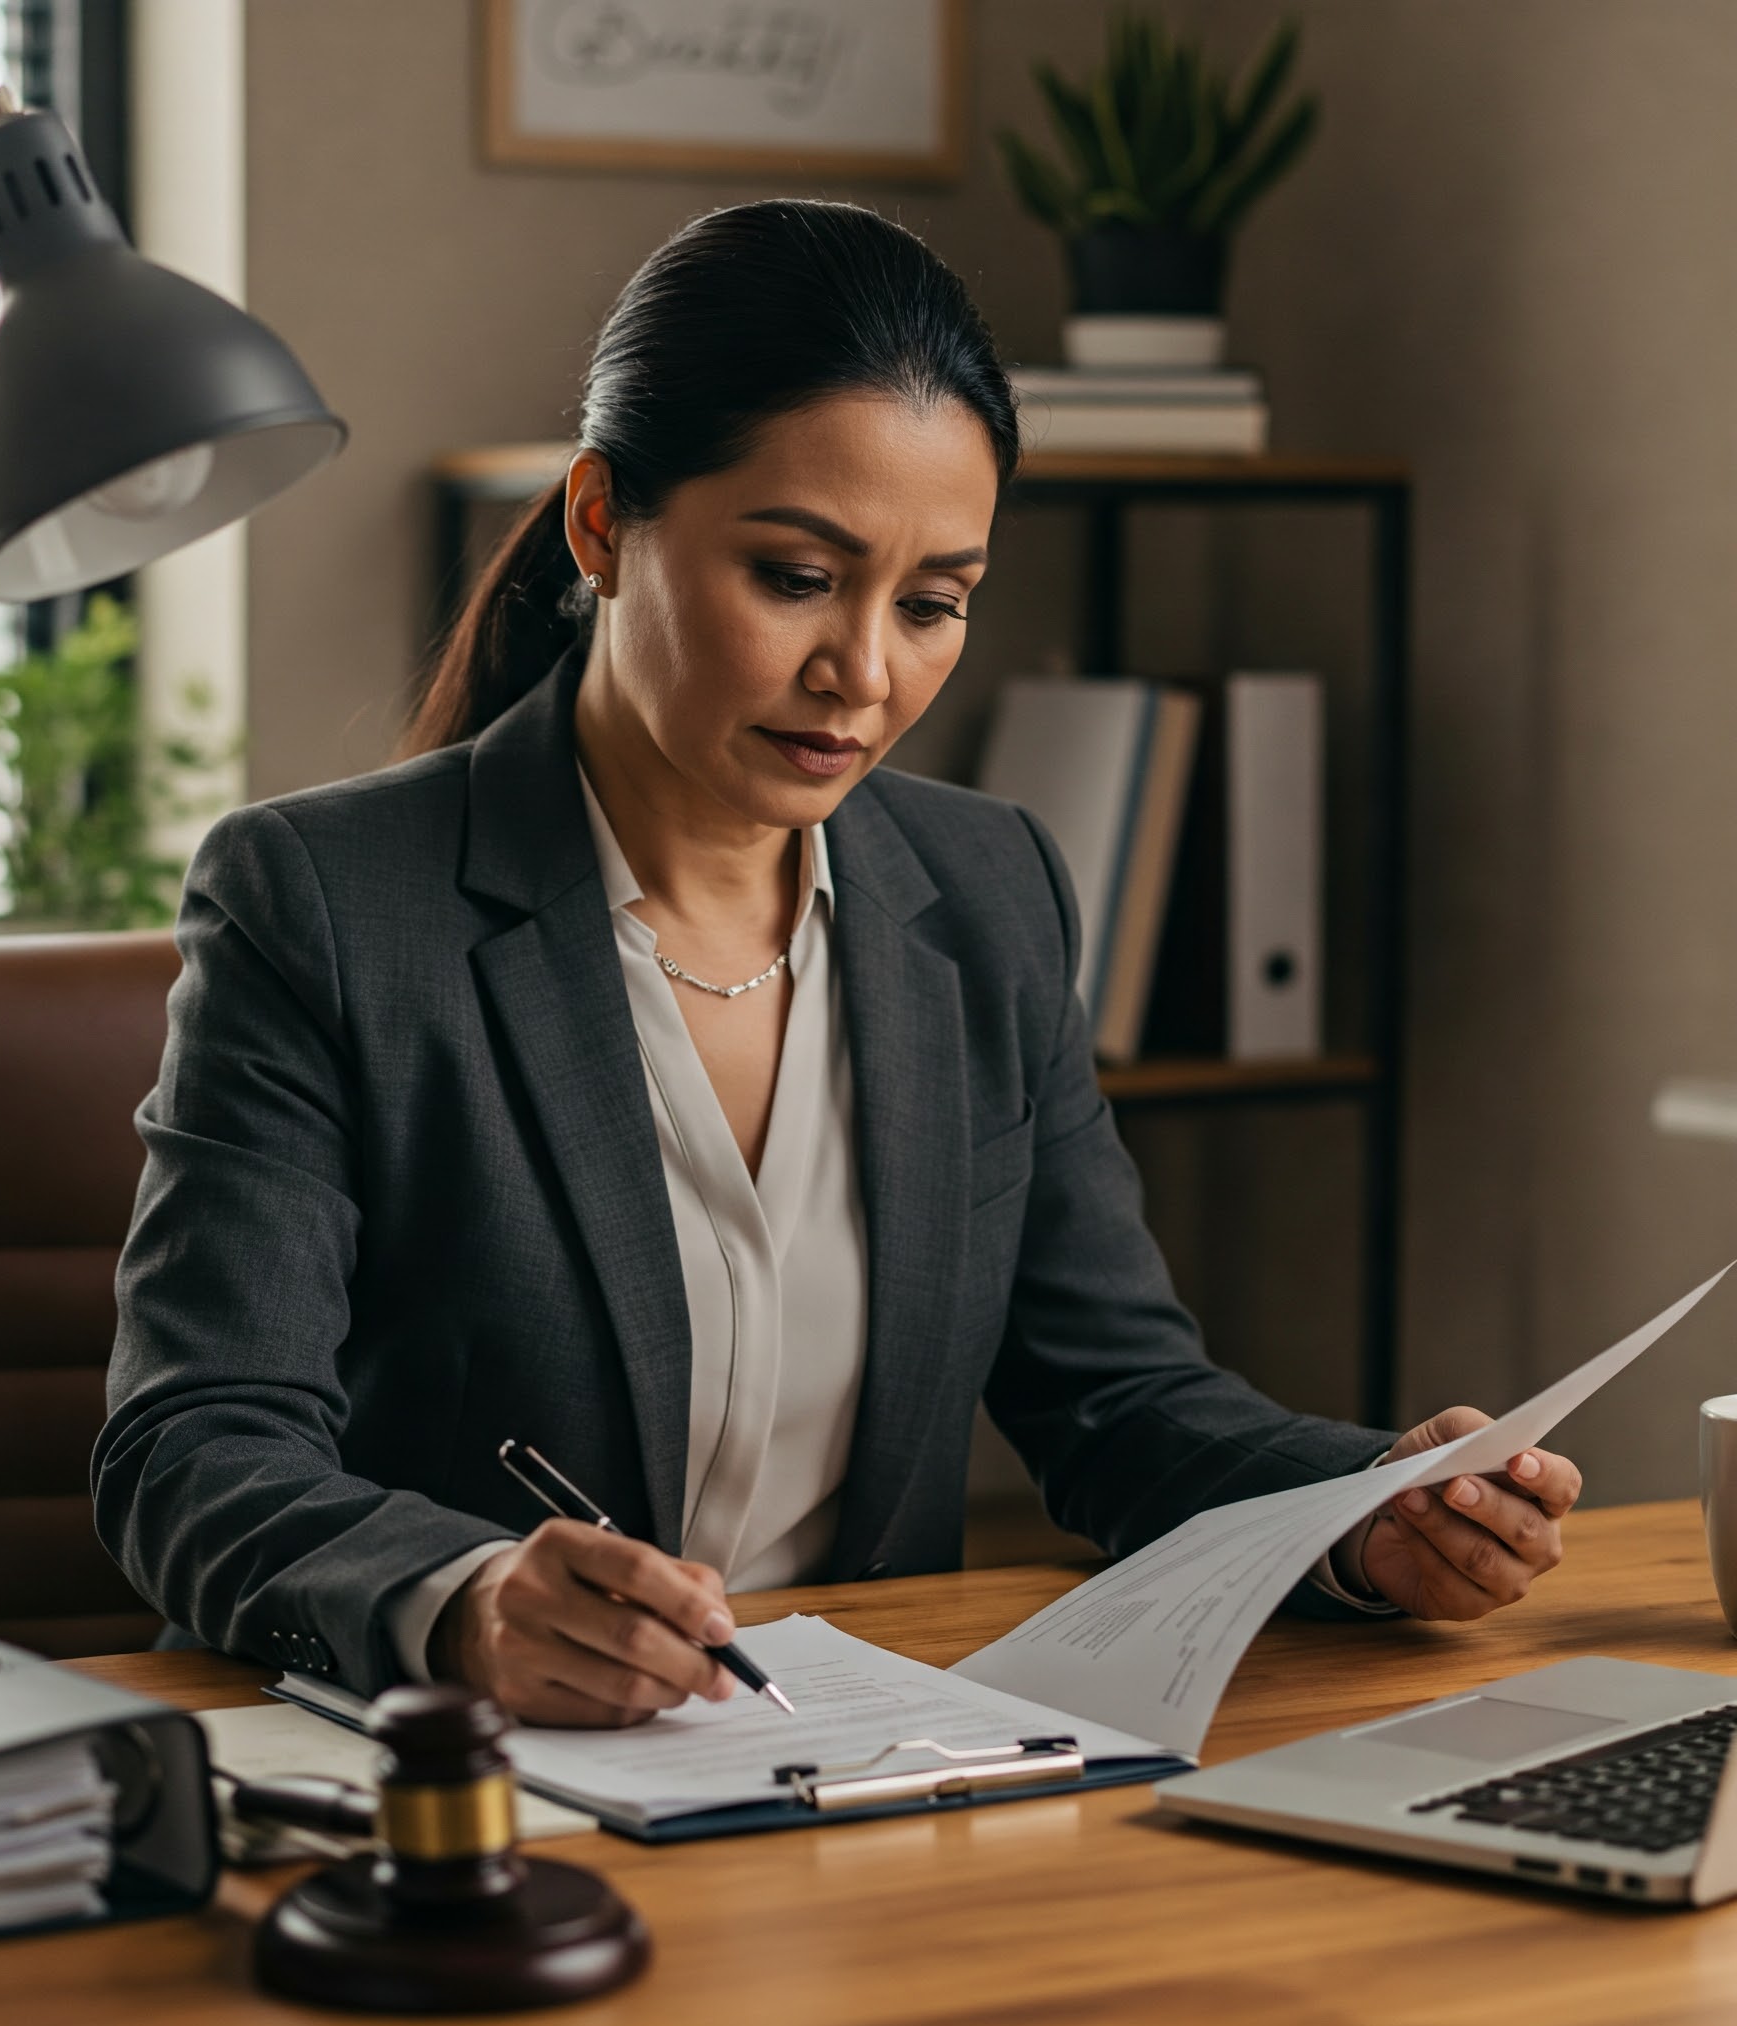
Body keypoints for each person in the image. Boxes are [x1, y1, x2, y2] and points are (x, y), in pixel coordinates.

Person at [92, 199, 1580, 1729]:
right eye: (797, 576)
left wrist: (1360, 1510)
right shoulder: (324, 902)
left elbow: (1122, 1403)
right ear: (602, 523)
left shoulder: (987, 892)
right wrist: (461, 1604)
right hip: (468, 1775)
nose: (863, 672)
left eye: (932, 604)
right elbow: (193, 1451)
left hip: (859, 1769)